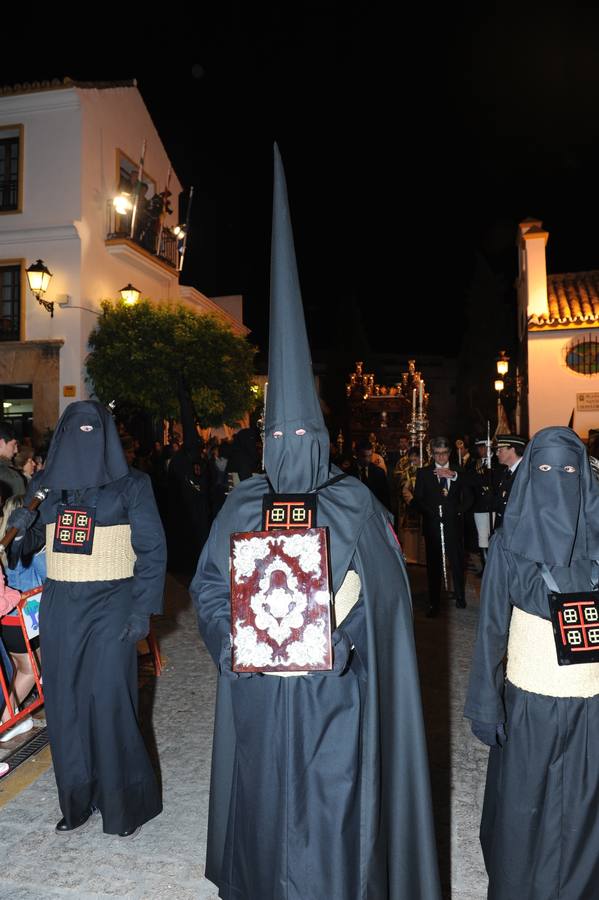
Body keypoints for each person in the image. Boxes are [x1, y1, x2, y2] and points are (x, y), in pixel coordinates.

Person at [190, 146, 441, 900]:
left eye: (301, 439)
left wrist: (346, 630)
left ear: (321, 438)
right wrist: (235, 639)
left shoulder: (353, 503)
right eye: (280, 438)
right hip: (259, 701)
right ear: (266, 436)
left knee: (332, 827)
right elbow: (206, 586)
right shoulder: (239, 504)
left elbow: (390, 605)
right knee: (268, 826)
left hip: (335, 698)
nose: (290, 450)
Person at [12, 401, 166, 837]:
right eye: (74, 430)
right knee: (66, 703)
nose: (84, 438)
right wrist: (24, 526)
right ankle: (76, 800)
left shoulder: (132, 485)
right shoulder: (46, 486)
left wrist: (141, 610)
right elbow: (27, 548)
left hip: (112, 601)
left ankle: (124, 804)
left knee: (109, 700)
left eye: (91, 429)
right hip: (62, 602)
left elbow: (153, 551)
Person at [465, 426, 599, 899]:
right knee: (523, 805)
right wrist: (485, 701)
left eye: (568, 471)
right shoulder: (508, 542)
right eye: (544, 470)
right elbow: (491, 628)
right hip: (529, 695)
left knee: (585, 808)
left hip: (591, 701)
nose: (556, 480)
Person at [414, 435, 473, 615]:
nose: (441, 458)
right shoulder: (423, 473)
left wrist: (457, 512)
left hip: (453, 526)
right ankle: (434, 602)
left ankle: (460, 597)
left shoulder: (458, 471)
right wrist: (431, 513)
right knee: (434, 565)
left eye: (444, 453)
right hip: (433, 527)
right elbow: (418, 500)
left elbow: (470, 497)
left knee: (456, 562)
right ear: (432, 454)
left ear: (449, 453)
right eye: (437, 454)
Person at [465, 437, 499, 575]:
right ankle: (486, 567)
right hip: (479, 505)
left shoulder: (497, 462)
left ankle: (496, 567)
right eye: (479, 447)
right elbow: (470, 480)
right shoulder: (475, 464)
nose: (480, 450)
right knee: (482, 537)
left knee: (495, 537)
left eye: (483, 447)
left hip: (494, 506)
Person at [492, 433, 527, 528]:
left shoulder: (526, 473)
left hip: (517, 527)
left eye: (500, 450)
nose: (497, 453)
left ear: (512, 450)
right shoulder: (506, 471)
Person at [350, 438, 392, 510]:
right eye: (364, 456)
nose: (367, 460)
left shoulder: (379, 472)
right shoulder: (349, 473)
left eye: (370, 456)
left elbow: (385, 498)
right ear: (356, 454)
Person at [0, 421, 25, 498]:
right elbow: (19, 508)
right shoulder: (11, 477)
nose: (16, 450)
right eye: (14, 445)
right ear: (1, 443)